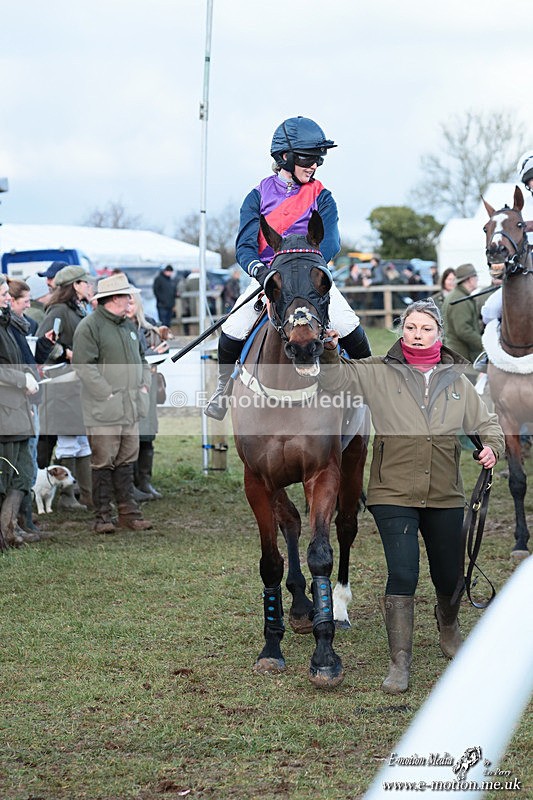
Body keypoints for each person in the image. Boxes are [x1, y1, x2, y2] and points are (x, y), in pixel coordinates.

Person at [318, 299, 504, 694]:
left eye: (426, 328)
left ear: (439, 334)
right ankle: (399, 662)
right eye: (411, 327)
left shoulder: (457, 381)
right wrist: (331, 350)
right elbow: (335, 381)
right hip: (393, 492)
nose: (417, 334)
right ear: (402, 331)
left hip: (444, 493)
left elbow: (487, 423)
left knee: (448, 574)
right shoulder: (377, 372)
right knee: (403, 573)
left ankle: (449, 629)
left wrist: (491, 447)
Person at [205, 116, 371, 420]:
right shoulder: (255, 197)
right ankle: (222, 389)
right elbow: (244, 247)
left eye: (318, 159)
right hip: (271, 277)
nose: (315, 165)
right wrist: (263, 274)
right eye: (309, 158)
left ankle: (372, 389)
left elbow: (331, 242)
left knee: (349, 325)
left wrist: (308, 270)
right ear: (285, 157)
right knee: (232, 329)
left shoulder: (323, 196)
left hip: (310, 278)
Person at [72, 273, 153, 534]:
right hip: (103, 409)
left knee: (127, 460)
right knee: (103, 461)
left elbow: (141, 358)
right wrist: (106, 392)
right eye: (127, 295)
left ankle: (129, 513)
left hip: (130, 406)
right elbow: (84, 366)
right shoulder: (90, 326)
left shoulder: (127, 326)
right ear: (114, 298)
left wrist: (143, 383)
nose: (131, 300)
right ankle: (103, 517)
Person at [36, 265, 95, 509]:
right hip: (62, 386)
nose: (90, 286)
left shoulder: (78, 309)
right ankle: (67, 497)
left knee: (81, 441)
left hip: (77, 385)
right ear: (76, 285)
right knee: (69, 441)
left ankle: (87, 495)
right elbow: (42, 342)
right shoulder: (59, 309)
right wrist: (66, 353)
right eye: (85, 282)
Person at [0, 275, 40, 547]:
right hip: (4, 412)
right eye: (3, 293)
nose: (7, 297)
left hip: (17, 410)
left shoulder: (6, 325)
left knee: (23, 473)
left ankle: (10, 530)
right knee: (4, 477)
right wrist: (19, 380)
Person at [126, 293, 170, 501]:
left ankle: (145, 481)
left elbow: (160, 355)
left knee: (147, 435)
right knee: (131, 436)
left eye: (131, 301)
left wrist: (161, 351)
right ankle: (131, 483)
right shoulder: (120, 327)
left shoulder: (150, 327)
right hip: (128, 386)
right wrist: (150, 355)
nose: (128, 306)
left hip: (148, 386)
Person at [442, 263, 482, 366]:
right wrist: (483, 344)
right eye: (475, 276)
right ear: (469, 279)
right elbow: (463, 330)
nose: (477, 279)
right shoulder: (460, 299)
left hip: (458, 355)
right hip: (461, 356)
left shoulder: (459, 296)